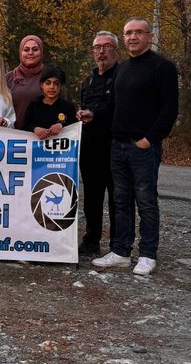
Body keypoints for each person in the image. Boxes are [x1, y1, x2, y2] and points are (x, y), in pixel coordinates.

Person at [92, 17, 179, 275]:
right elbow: (113, 105)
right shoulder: (123, 68)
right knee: (121, 201)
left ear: (149, 37)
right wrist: (92, 114)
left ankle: (148, 254)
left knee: (146, 201)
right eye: (128, 32)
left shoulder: (162, 67)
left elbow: (169, 109)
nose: (132, 37)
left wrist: (150, 139)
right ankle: (120, 251)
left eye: (138, 32)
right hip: (117, 146)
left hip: (143, 147)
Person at [75, 31, 119, 255]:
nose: (101, 51)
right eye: (97, 47)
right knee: (92, 197)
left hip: (114, 146)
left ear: (115, 50)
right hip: (90, 148)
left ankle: (118, 244)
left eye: (106, 46)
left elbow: (119, 107)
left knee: (116, 197)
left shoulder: (122, 76)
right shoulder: (88, 80)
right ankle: (91, 240)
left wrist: (96, 114)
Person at [23, 64, 77, 139]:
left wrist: (62, 126)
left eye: (56, 83)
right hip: (37, 148)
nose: (52, 87)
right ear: (42, 85)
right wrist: (35, 129)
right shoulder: (34, 105)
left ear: (61, 86)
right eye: (48, 83)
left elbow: (75, 127)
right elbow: (25, 126)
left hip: (60, 149)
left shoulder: (68, 107)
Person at [7, 35, 45, 130]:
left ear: (41, 52)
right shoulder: (9, 78)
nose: (30, 53)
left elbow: (62, 107)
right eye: (26, 50)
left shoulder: (50, 77)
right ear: (20, 53)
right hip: (11, 137)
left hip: (41, 138)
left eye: (35, 49)